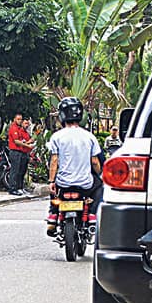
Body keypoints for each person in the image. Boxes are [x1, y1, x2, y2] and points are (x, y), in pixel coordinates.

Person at [45, 97, 102, 234]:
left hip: (63, 183)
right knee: (100, 185)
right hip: (85, 184)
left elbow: (54, 161)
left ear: (62, 115)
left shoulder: (57, 137)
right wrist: (100, 175)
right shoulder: (89, 137)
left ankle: (53, 216)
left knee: (54, 189)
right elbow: (95, 162)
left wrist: (51, 181)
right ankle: (92, 214)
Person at [5, 112, 33, 196]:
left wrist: (28, 143)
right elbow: (17, 141)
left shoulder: (19, 129)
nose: (20, 121)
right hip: (15, 152)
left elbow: (22, 141)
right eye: (18, 119)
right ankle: (12, 188)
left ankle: (19, 187)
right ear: (14, 119)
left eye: (21, 119)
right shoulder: (13, 128)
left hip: (21, 152)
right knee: (15, 171)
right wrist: (27, 145)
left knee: (21, 171)